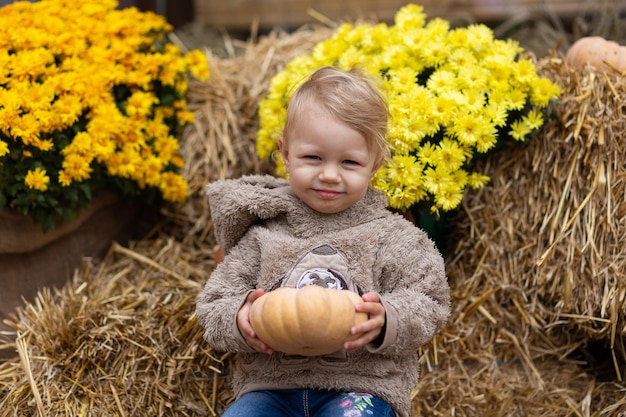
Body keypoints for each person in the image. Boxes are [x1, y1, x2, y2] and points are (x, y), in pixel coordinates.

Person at [196, 66, 450, 417]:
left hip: (360, 388)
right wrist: (239, 317)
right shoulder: (263, 235)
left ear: (374, 165)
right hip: (271, 390)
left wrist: (387, 318)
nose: (329, 175)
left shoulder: (393, 238)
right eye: (313, 157)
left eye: (349, 162)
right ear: (285, 153)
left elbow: (430, 301)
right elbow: (213, 303)